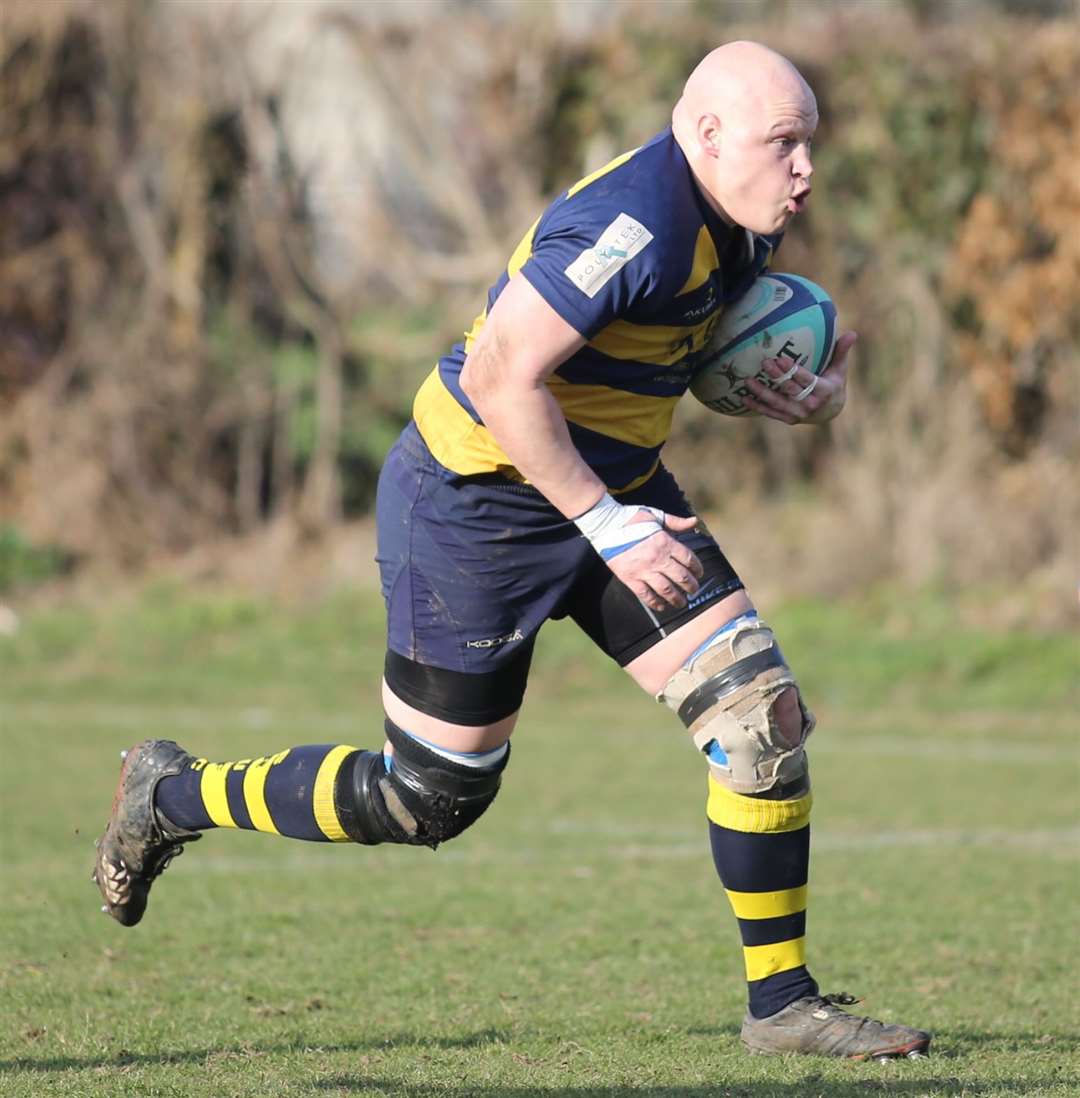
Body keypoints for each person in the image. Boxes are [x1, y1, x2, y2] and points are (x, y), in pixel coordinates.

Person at [93, 41, 931, 1061]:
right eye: (783, 143)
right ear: (707, 136)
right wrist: (608, 522)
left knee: (760, 716)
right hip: (475, 506)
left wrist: (794, 400)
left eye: (810, 143)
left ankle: (784, 1005)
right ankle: (169, 793)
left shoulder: (741, 229)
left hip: (605, 491)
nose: (805, 167)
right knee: (429, 797)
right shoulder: (636, 224)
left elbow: (668, 361)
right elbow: (500, 375)